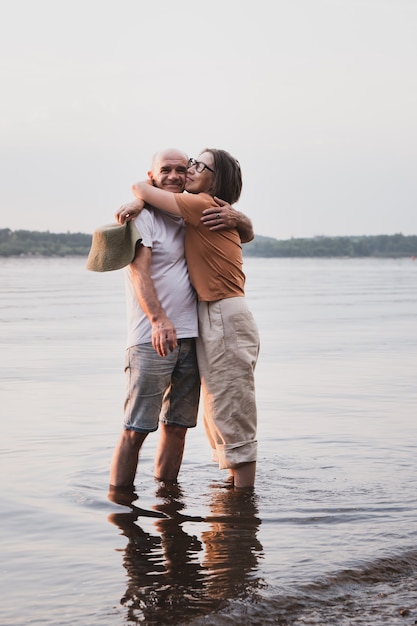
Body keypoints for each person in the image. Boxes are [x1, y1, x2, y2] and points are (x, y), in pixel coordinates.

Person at [110, 148, 254, 491]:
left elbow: (242, 233)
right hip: (150, 336)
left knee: (177, 427)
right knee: (136, 427)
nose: (176, 175)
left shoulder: (190, 211)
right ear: (152, 175)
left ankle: (167, 498)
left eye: (184, 167)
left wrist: (240, 219)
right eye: (167, 169)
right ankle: (119, 506)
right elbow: (138, 274)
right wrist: (159, 320)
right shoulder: (144, 217)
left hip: (193, 336)